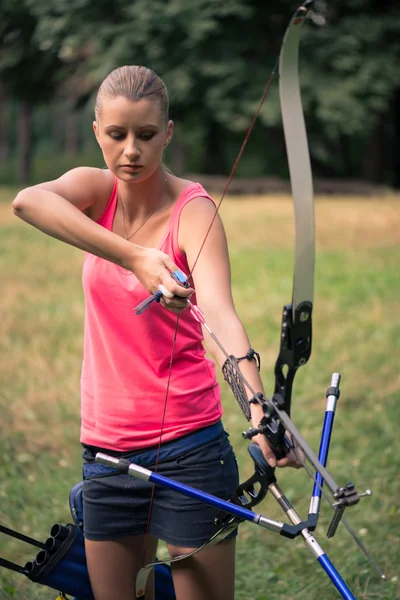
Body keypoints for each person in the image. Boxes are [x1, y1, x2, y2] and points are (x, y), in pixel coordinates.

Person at [13, 65, 300, 600]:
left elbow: (219, 317)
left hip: (190, 449)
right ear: (97, 130)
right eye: (117, 134)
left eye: (146, 135)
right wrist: (138, 258)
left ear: (167, 134)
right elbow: (27, 201)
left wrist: (261, 414)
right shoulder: (94, 192)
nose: (130, 151)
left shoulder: (193, 211)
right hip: (105, 449)